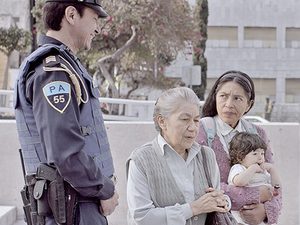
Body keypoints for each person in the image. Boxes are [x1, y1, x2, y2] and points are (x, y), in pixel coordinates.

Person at [14, 1, 118, 225]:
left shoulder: (64, 67)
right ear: (71, 15)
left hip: (76, 203)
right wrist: (105, 189)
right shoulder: (53, 73)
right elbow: (66, 153)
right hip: (73, 208)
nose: (97, 28)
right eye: (94, 18)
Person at [126, 87, 230, 225]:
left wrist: (223, 201)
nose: (193, 127)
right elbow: (142, 216)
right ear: (162, 121)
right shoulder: (141, 160)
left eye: (196, 120)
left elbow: (216, 200)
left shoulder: (207, 155)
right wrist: (193, 208)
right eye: (185, 119)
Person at [197, 70, 282, 224]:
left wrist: (265, 212)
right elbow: (202, 185)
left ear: (249, 104)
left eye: (237, 98)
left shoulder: (258, 133)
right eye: (223, 96)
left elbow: (274, 185)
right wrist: (256, 194)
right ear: (215, 97)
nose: (229, 104)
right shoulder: (201, 130)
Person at [228, 132, 281, 225]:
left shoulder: (262, 171)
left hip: (261, 214)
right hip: (242, 217)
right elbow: (238, 182)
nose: (260, 158)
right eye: (255, 154)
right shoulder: (239, 168)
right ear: (240, 157)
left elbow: (277, 186)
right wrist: (251, 169)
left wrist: (272, 170)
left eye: (262, 153)